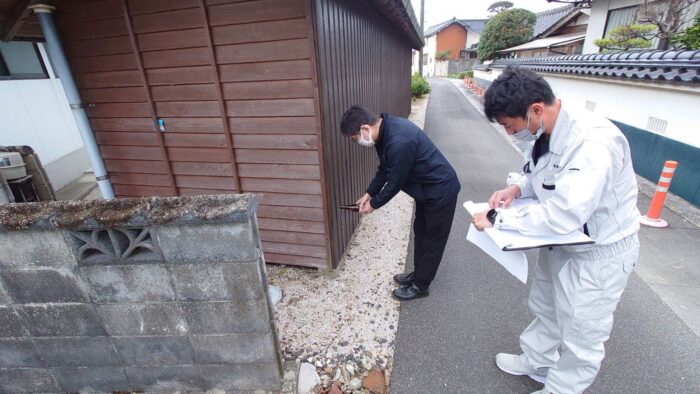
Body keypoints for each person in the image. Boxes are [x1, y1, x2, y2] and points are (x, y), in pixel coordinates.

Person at [472, 67, 640, 394]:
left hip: (598, 250)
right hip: (560, 243)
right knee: (546, 306)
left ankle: (561, 389)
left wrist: (498, 218)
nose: (509, 133)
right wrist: (516, 190)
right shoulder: (544, 130)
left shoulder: (593, 142)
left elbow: (565, 213)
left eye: (510, 125)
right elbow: (539, 173)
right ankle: (537, 362)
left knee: (581, 330)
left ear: (536, 108)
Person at [340, 105, 461, 301]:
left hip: (441, 191)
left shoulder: (398, 141)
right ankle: (418, 274)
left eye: (355, 139)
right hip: (425, 190)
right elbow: (384, 170)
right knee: (420, 232)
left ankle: (421, 286)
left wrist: (374, 204)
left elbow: (395, 182)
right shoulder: (384, 133)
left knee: (433, 240)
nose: (357, 143)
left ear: (364, 129)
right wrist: (369, 194)